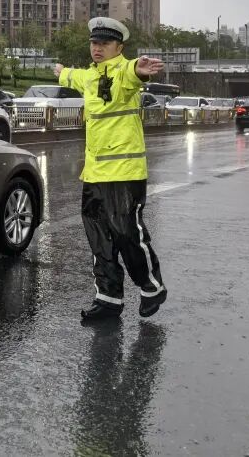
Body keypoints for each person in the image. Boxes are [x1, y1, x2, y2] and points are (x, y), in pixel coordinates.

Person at [53, 17, 167, 323]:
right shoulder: (90, 76)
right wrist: (62, 73)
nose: (97, 48)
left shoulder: (123, 72)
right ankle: (108, 298)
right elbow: (74, 77)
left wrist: (138, 69)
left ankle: (151, 287)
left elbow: (132, 73)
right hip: (94, 175)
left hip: (124, 173)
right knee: (99, 238)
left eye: (104, 43)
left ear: (119, 47)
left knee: (127, 233)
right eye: (94, 43)